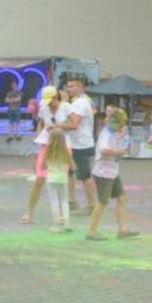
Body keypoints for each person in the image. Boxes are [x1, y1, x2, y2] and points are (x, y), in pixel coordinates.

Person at [87, 106, 139, 241]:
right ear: (115, 121)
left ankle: (122, 230)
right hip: (104, 173)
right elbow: (104, 150)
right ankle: (91, 231)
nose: (121, 127)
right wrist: (119, 152)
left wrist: (121, 136)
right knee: (102, 202)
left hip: (112, 172)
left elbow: (112, 142)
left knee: (121, 198)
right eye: (120, 124)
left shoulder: (111, 132)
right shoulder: (106, 134)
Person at [21, 86, 70, 224]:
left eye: (51, 100)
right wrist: (37, 136)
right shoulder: (43, 109)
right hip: (46, 145)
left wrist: (57, 127)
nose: (49, 104)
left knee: (60, 182)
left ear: (56, 97)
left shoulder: (65, 107)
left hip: (62, 145)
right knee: (39, 180)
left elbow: (74, 124)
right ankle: (29, 213)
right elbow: (41, 124)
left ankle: (62, 216)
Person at [56, 77, 97, 213]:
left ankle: (92, 205)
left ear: (81, 87)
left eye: (72, 86)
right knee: (70, 173)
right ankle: (71, 201)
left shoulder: (80, 103)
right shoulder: (76, 102)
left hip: (82, 145)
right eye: (68, 86)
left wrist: (56, 126)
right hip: (74, 144)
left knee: (85, 175)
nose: (69, 89)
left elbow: (74, 124)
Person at [41, 129, 73, 233]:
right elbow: (73, 166)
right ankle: (67, 223)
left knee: (54, 201)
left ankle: (56, 225)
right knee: (64, 200)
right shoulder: (66, 151)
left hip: (51, 178)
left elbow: (42, 167)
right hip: (63, 178)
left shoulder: (48, 151)